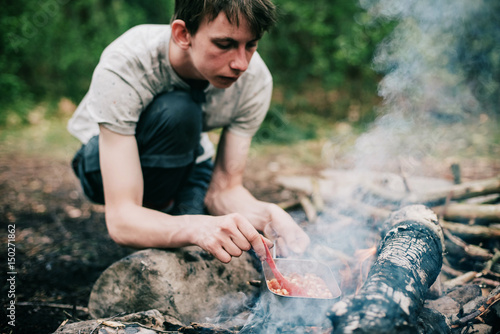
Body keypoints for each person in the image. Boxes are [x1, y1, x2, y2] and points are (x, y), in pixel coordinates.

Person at [68, 0, 310, 264]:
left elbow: (224, 191)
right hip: (102, 166)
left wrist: (267, 215)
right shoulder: (128, 63)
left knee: (203, 254)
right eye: (224, 44)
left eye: (251, 45)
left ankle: (165, 218)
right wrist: (197, 227)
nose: (241, 63)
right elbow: (122, 219)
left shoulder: (255, 81)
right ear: (183, 34)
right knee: (179, 110)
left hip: (189, 161)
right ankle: (160, 215)